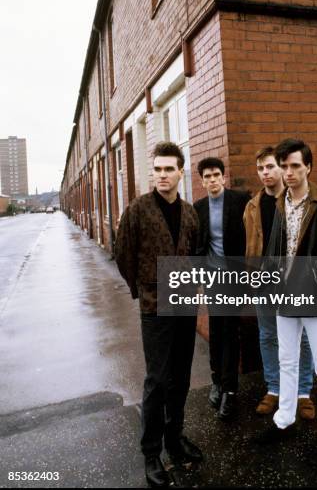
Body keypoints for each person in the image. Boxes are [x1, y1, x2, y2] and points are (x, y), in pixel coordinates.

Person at [256, 138, 317, 463]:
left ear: (308, 167)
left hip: (312, 297)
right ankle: (284, 419)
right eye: (284, 166)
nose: (288, 172)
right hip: (284, 298)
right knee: (286, 361)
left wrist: (316, 276)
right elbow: (275, 250)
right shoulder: (281, 202)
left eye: (295, 165)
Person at [115, 142, 202, 488]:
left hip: (184, 304)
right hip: (155, 306)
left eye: (169, 169)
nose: (162, 175)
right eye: (158, 169)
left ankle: (174, 439)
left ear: (181, 171)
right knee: (157, 380)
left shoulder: (191, 213)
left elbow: (195, 255)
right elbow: (123, 254)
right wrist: (142, 290)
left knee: (180, 377)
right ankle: (151, 453)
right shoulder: (137, 210)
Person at [243, 146, 315, 419]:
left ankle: (303, 392)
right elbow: (249, 245)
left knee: (304, 338)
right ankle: (274, 388)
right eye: (260, 168)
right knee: (269, 335)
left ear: (282, 168)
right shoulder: (251, 206)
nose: (265, 173)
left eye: (270, 166)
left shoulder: (298, 201)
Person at [194, 157, 250, 420]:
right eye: (207, 176)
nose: (212, 180)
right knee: (216, 332)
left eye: (216, 174)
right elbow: (198, 246)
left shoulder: (240, 201)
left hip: (235, 279)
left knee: (230, 332)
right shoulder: (199, 207)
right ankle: (217, 381)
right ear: (202, 180)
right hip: (213, 280)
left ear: (223, 177)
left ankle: (230, 390)